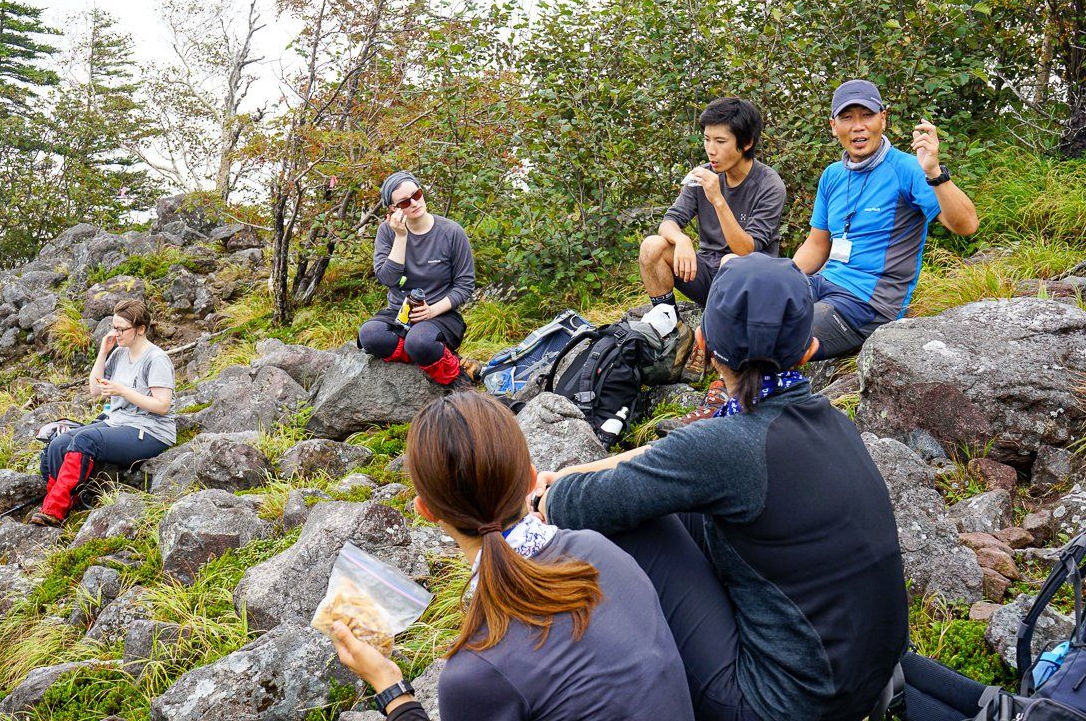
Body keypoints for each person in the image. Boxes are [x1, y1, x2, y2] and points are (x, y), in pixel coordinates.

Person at [536, 254, 908, 721]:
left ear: (707, 346)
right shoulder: (826, 420)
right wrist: (572, 473)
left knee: (627, 524)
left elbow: (582, 507)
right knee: (666, 499)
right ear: (809, 350)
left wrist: (545, 495)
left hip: (776, 706)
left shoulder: (728, 448)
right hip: (863, 675)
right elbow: (673, 459)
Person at [328, 391, 695, 721]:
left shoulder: (477, 670)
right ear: (530, 479)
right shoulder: (599, 549)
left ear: (426, 511)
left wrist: (390, 686)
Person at [792, 79, 979, 360]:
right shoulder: (832, 174)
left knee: (782, 331)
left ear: (883, 118)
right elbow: (817, 245)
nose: (858, 126)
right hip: (824, 282)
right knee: (750, 294)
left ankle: (745, 396)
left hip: (868, 304)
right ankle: (725, 384)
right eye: (847, 118)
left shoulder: (908, 169)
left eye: (867, 115)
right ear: (834, 127)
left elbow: (966, 225)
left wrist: (934, 172)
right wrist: (782, 278)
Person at [639, 97, 787, 423]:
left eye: (720, 141)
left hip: (749, 282)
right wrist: (681, 241)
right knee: (652, 246)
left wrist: (718, 199)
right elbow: (669, 221)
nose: (711, 150)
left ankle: (711, 348)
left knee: (732, 261)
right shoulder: (702, 175)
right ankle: (674, 335)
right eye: (707, 139)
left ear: (746, 143)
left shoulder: (768, 185)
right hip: (706, 270)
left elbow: (748, 249)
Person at [30, 298, 176, 526]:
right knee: (58, 443)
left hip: (150, 431)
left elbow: (162, 405)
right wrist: (103, 352)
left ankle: (54, 511)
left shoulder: (156, 359)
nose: (116, 333)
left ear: (140, 329)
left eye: (121, 329)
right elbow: (95, 389)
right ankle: (62, 500)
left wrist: (123, 391)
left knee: (85, 439)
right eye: (114, 327)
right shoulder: (119, 354)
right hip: (117, 422)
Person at [357, 171, 478, 388]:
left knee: (419, 340)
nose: (414, 203)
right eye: (404, 202)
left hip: (441, 314)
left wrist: (432, 311)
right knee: (369, 335)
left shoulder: (451, 232)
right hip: (399, 313)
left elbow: (465, 285)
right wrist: (401, 236)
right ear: (393, 209)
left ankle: (456, 376)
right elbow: (387, 278)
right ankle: (439, 357)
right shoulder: (387, 232)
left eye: (417, 194)